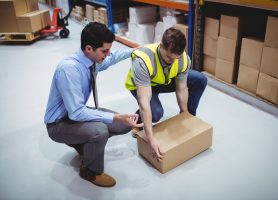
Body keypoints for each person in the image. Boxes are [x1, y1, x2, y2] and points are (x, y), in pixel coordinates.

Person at [44, 22, 143, 187]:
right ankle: (90, 171)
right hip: (59, 123)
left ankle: (84, 145)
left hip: (72, 114)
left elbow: (112, 59)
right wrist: (114, 116)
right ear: (89, 48)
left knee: (123, 125)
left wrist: (135, 51)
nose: (108, 54)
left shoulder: (91, 60)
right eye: (104, 51)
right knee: (100, 130)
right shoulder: (69, 69)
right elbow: (76, 113)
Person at [125, 27, 207, 161]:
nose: (173, 61)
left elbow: (181, 88)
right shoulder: (143, 59)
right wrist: (150, 138)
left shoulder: (183, 59)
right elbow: (144, 100)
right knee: (156, 113)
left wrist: (184, 115)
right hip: (142, 85)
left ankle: (189, 117)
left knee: (199, 79)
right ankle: (138, 122)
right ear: (161, 45)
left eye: (177, 58)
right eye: (169, 57)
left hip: (163, 80)